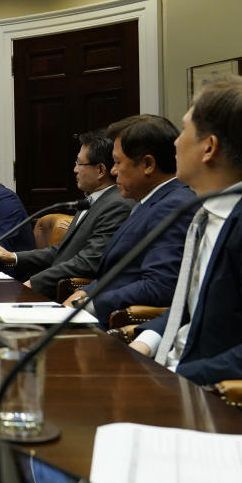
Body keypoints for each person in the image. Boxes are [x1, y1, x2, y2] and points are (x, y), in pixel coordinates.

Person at [129, 76, 242, 384]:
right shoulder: (206, 211)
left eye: (185, 130)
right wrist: (147, 341)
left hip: (209, 400)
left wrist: (170, 377)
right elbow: (192, 308)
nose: (175, 141)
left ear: (209, 148)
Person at [63, 115, 196, 327]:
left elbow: (159, 286)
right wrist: (84, 292)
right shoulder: (146, 201)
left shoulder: (175, 206)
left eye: (117, 162)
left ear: (148, 164)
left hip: (117, 328)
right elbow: (120, 273)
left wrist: (89, 303)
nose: (113, 171)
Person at [0, 130, 133, 299]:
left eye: (79, 163)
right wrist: (13, 256)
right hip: (52, 286)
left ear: (100, 170)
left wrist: (33, 283)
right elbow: (62, 252)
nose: (74, 169)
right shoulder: (92, 200)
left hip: (69, 295)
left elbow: (87, 262)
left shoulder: (116, 205)